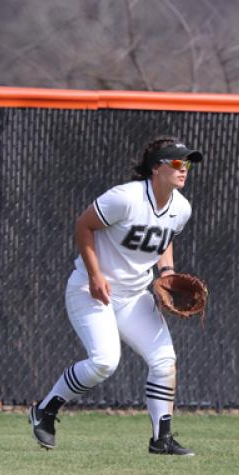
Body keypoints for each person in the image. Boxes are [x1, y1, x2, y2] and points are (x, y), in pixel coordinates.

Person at [29, 136, 203, 456]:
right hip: (92, 289)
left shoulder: (181, 208)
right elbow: (84, 226)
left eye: (188, 164)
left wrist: (166, 273)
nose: (184, 170)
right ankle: (46, 409)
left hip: (135, 295)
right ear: (156, 168)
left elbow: (164, 238)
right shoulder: (125, 198)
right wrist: (95, 275)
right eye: (177, 163)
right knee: (104, 362)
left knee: (164, 361)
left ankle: (160, 439)